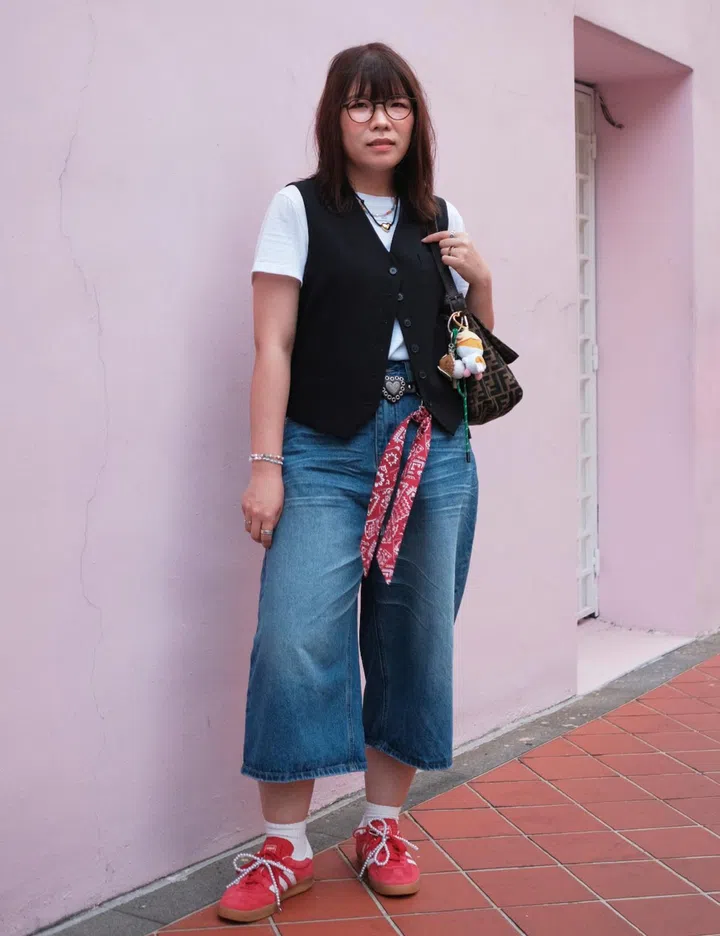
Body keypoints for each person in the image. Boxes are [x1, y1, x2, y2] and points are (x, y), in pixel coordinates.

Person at [218, 41, 494, 924]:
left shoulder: (441, 216)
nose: (381, 120)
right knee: (294, 635)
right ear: (334, 118)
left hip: (431, 445)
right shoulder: (297, 209)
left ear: (417, 120)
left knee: (416, 638)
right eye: (363, 104)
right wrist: (266, 466)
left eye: (397, 104)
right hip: (323, 449)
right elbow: (272, 345)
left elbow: (473, 362)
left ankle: (381, 828)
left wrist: (482, 279)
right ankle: (285, 848)